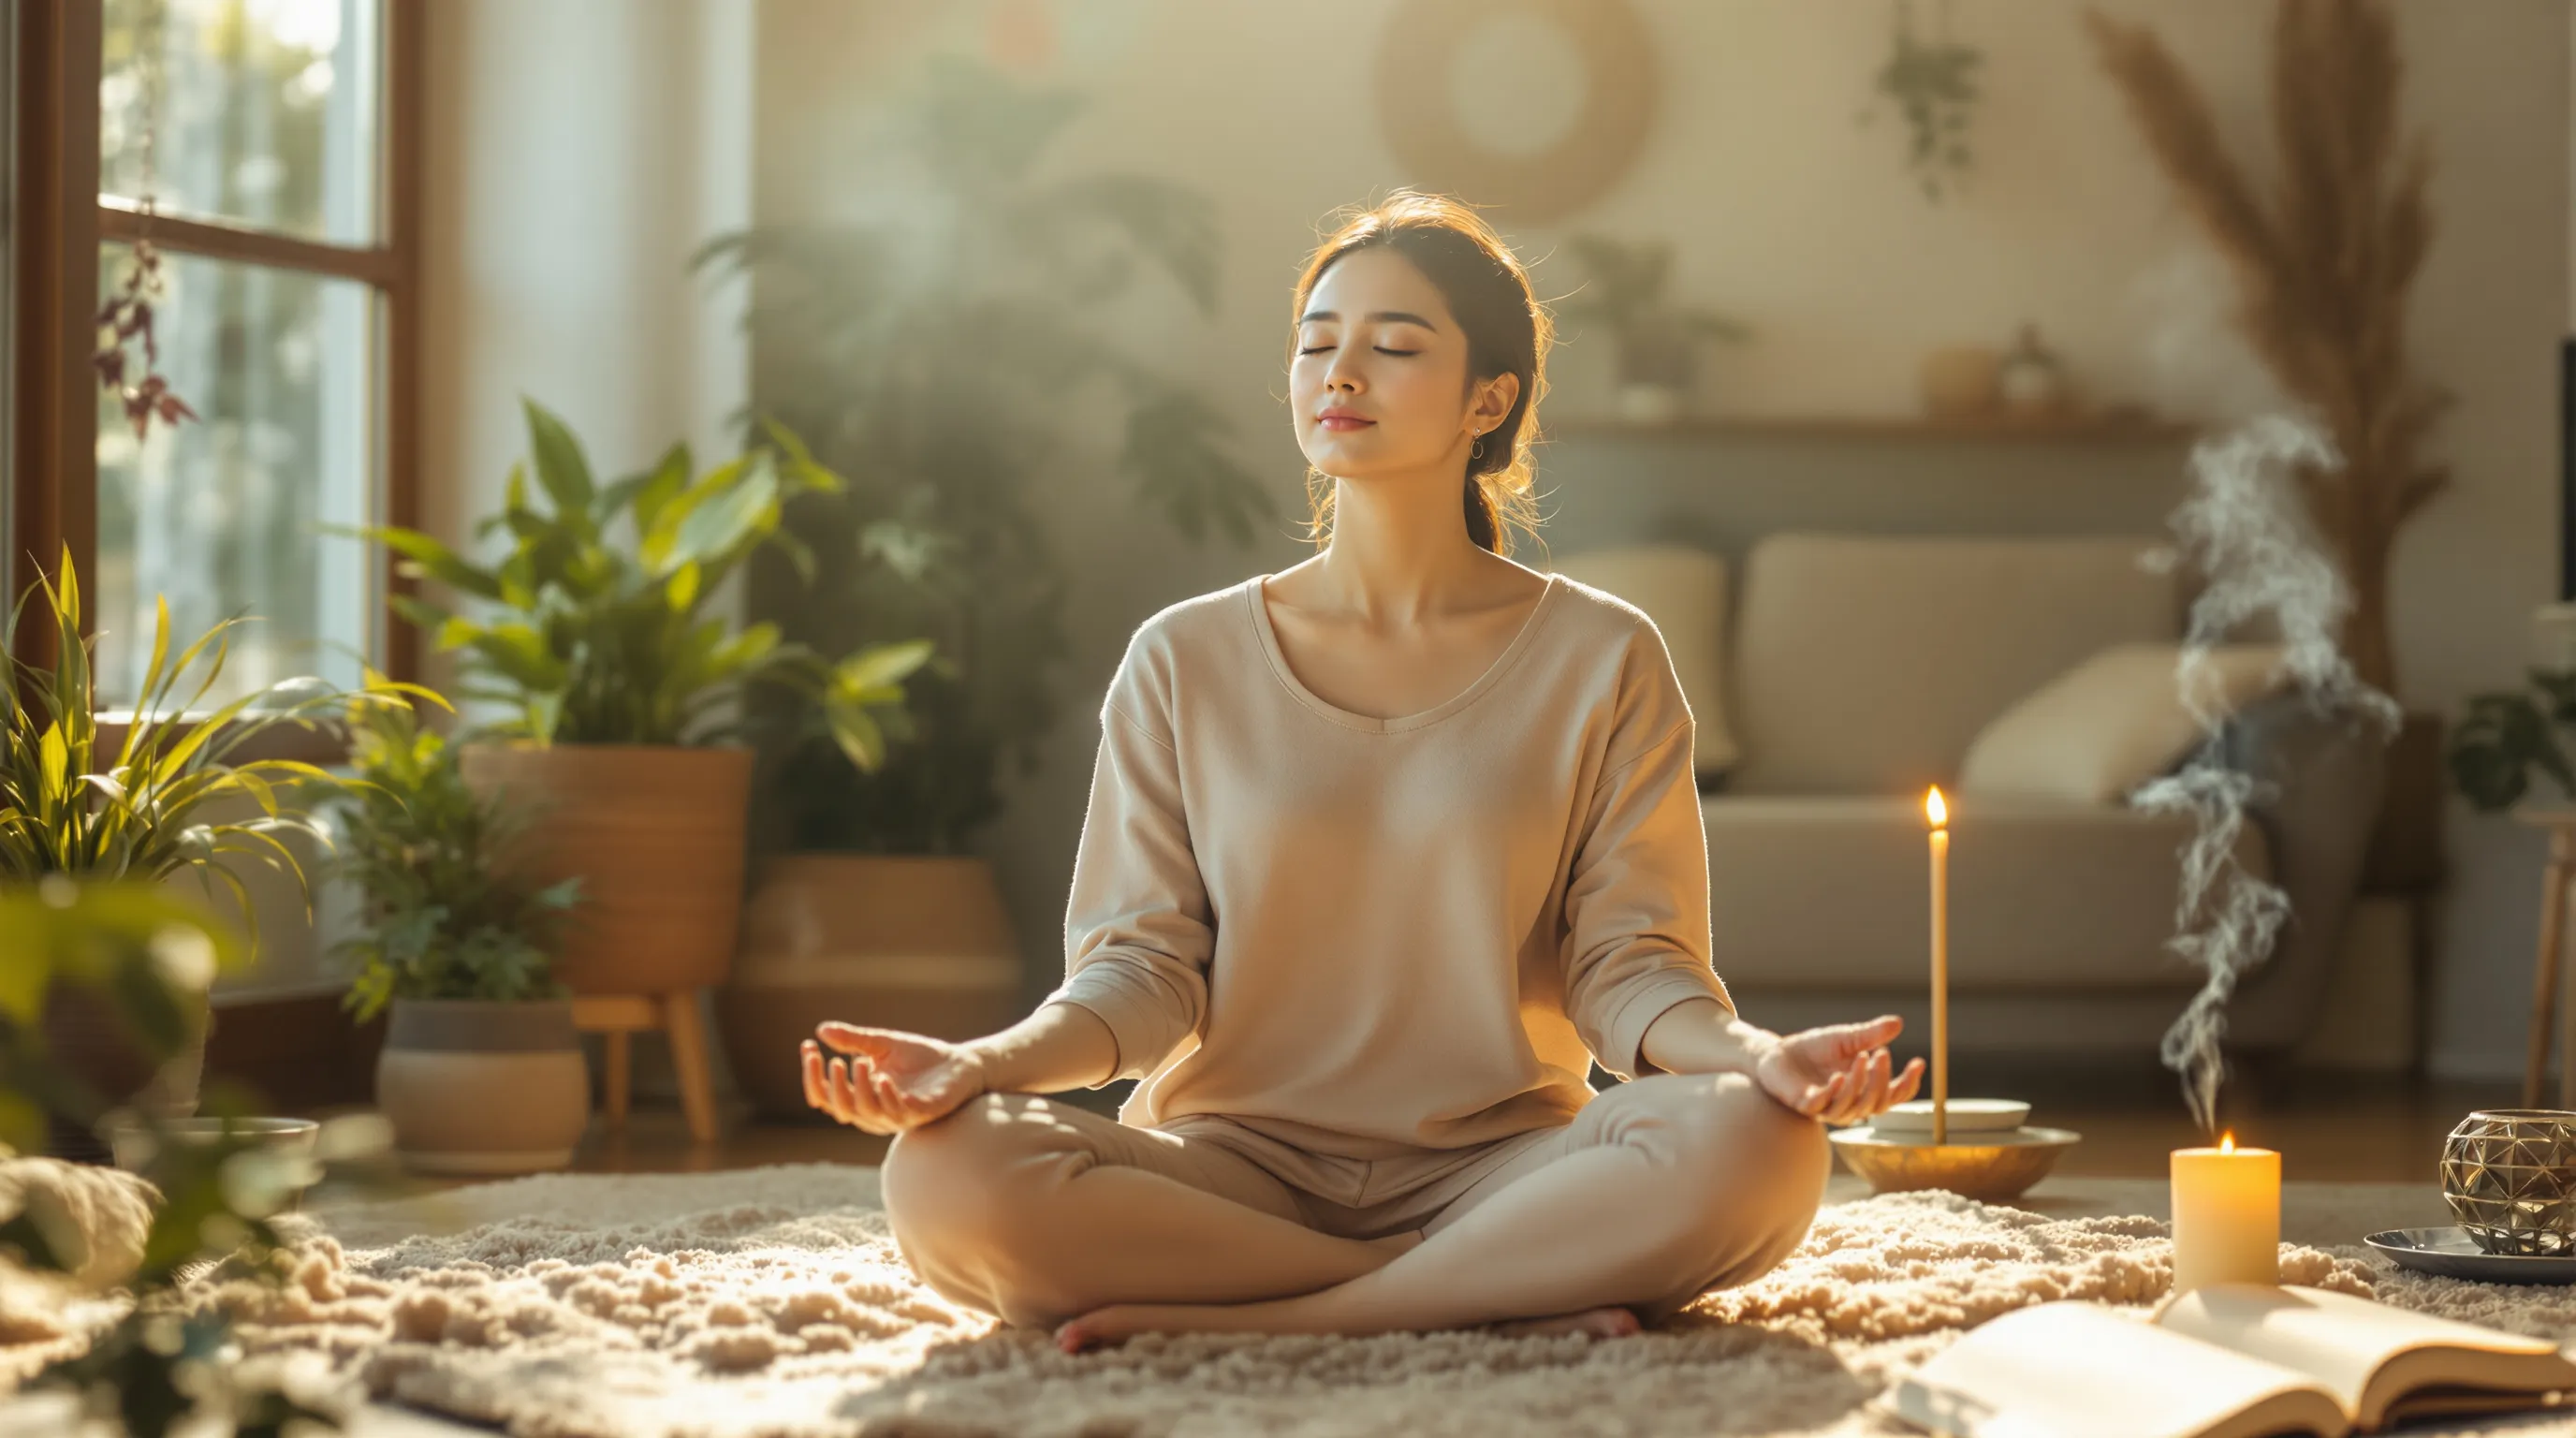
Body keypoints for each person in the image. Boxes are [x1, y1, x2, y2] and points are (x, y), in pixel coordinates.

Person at [799, 190, 1925, 1355]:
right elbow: (1138, 973)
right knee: (948, 1176)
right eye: (1315, 343)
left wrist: (1760, 1061)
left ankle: (1273, 1319)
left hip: (1509, 1167)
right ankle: (1472, 1290)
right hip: (1233, 1170)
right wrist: (977, 1066)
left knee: (1764, 1145)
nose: (1340, 374)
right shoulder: (1181, 659)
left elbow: (1627, 966)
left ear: (1490, 399)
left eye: (1392, 347)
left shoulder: (1605, 657)